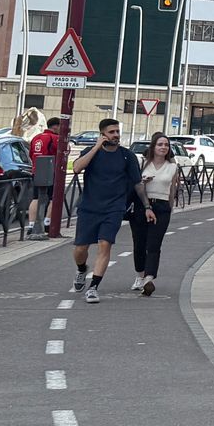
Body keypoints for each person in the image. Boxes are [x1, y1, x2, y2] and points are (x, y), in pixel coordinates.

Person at [71, 119, 150, 304]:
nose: (116, 135)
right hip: (89, 207)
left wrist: (146, 205)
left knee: (105, 245)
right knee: (80, 249)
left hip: (114, 208)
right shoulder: (92, 153)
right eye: (112, 132)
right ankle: (82, 269)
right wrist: (95, 147)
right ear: (102, 134)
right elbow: (76, 167)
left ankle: (93, 288)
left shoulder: (127, 156)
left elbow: (137, 184)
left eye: (117, 131)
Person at [128, 133, 181, 296]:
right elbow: (131, 183)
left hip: (162, 206)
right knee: (139, 243)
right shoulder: (142, 163)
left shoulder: (172, 167)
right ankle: (139, 275)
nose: (163, 147)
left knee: (154, 244)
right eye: (160, 144)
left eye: (166, 145)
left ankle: (149, 278)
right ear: (153, 147)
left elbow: (172, 190)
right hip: (141, 206)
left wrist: (170, 208)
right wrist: (142, 182)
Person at [26, 115, 67, 237]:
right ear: (56, 126)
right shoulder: (55, 138)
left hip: (36, 170)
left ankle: (31, 225)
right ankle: (47, 222)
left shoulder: (36, 137)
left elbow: (31, 153)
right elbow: (62, 153)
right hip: (51, 171)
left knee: (35, 197)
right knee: (54, 197)